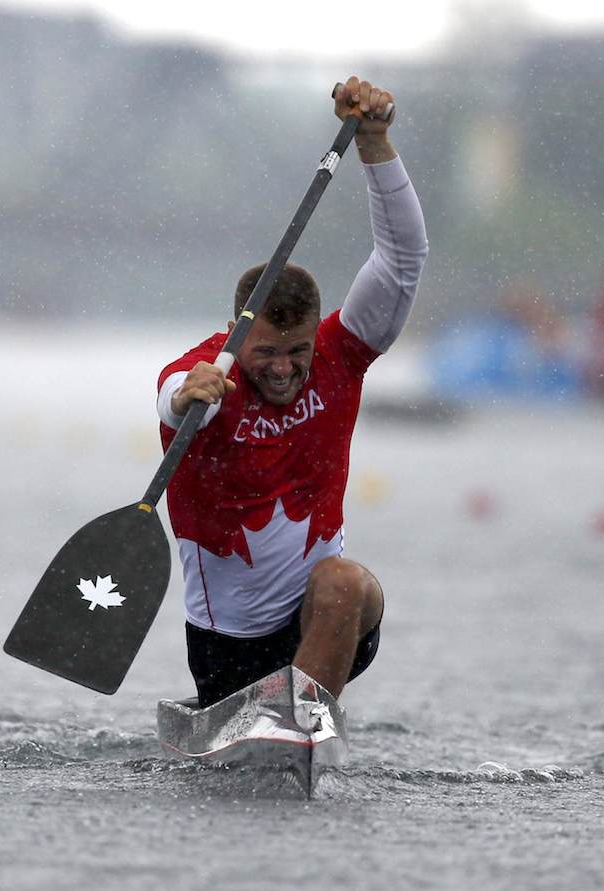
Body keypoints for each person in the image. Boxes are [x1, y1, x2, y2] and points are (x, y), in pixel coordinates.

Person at [156, 76, 429, 708]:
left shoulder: (341, 353)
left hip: (322, 622)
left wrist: (375, 144)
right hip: (227, 646)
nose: (283, 370)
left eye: (296, 352)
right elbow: (169, 393)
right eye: (266, 354)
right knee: (325, 597)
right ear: (236, 333)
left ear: (314, 336)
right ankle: (285, 717)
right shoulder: (207, 370)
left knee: (345, 583)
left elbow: (402, 260)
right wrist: (183, 398)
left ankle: (300, 723)